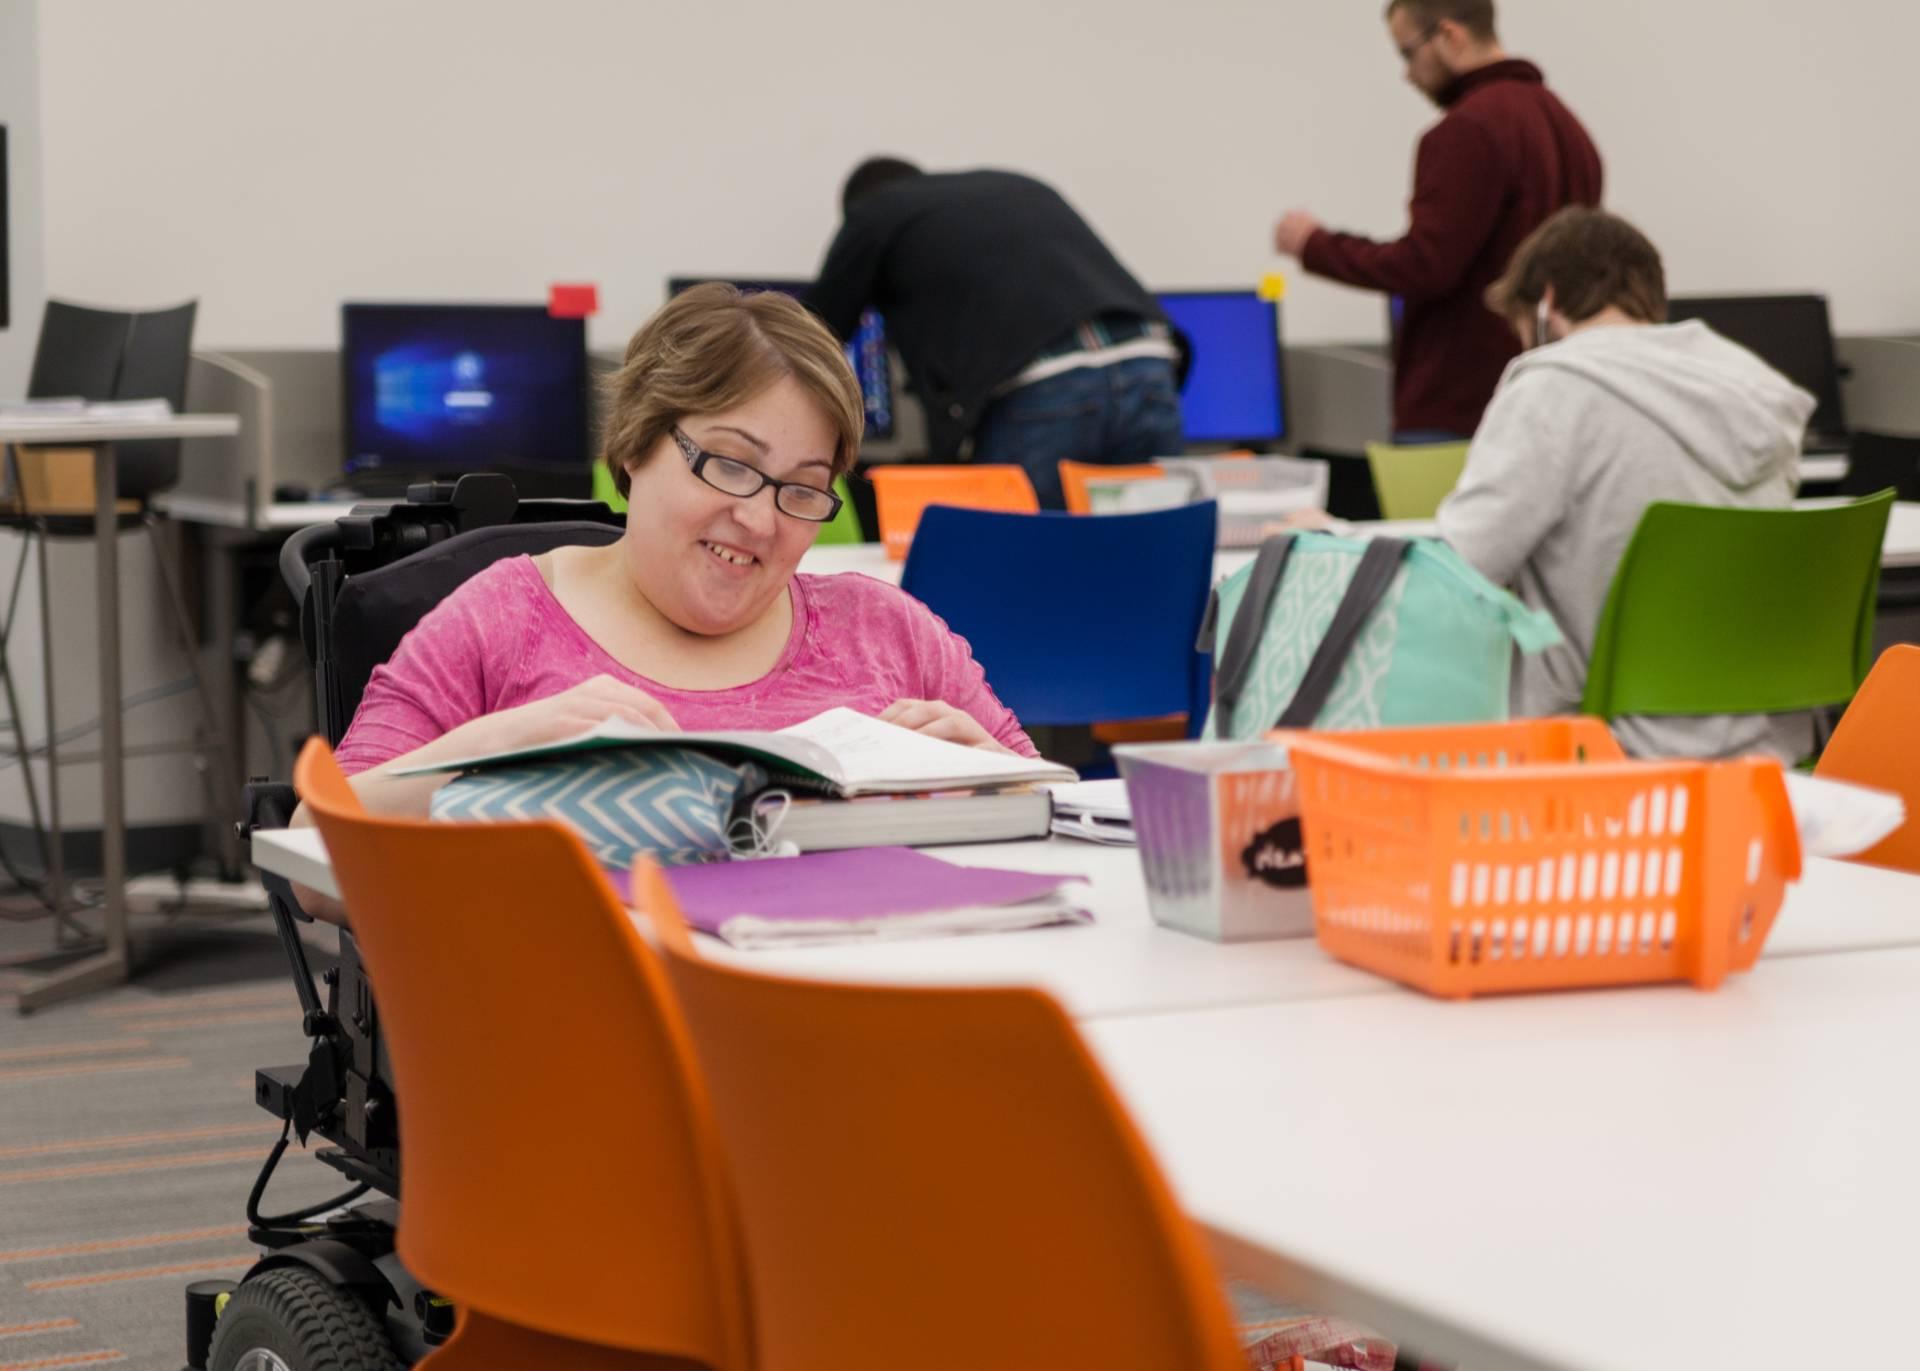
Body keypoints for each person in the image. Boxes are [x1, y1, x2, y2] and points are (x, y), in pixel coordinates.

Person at [293, 285, 1037, 894]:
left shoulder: (886, 630)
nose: (757, 519)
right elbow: (306, 862)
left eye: (803, 490)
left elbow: (1057, 817)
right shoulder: (503, 620)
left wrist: (1005, 785)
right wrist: (490, 750)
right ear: (637, 441)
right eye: (729, 464)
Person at [1436, 207, 1817, 761]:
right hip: (1765, 753)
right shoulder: (1755, 388)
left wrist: (1342, 542)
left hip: (1608, 754)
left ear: (1547, 304)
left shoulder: (1552, 386)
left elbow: (1459, 571)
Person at [1272, 0, 1602, 440]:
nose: (1407, 74)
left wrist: (1313, 244)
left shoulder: (1467, 130)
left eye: (1408, 53)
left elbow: (1425, 265)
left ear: (1450, 36)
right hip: (1552, 399)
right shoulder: (1570, 129)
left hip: (1462, 411)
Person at [809, 159, 1184, 509]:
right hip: (1148, 365)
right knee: (1150, 549)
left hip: (1044, 388)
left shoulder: (874, 211)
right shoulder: (1018, 187)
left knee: (1018, 561)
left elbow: (810, 337)